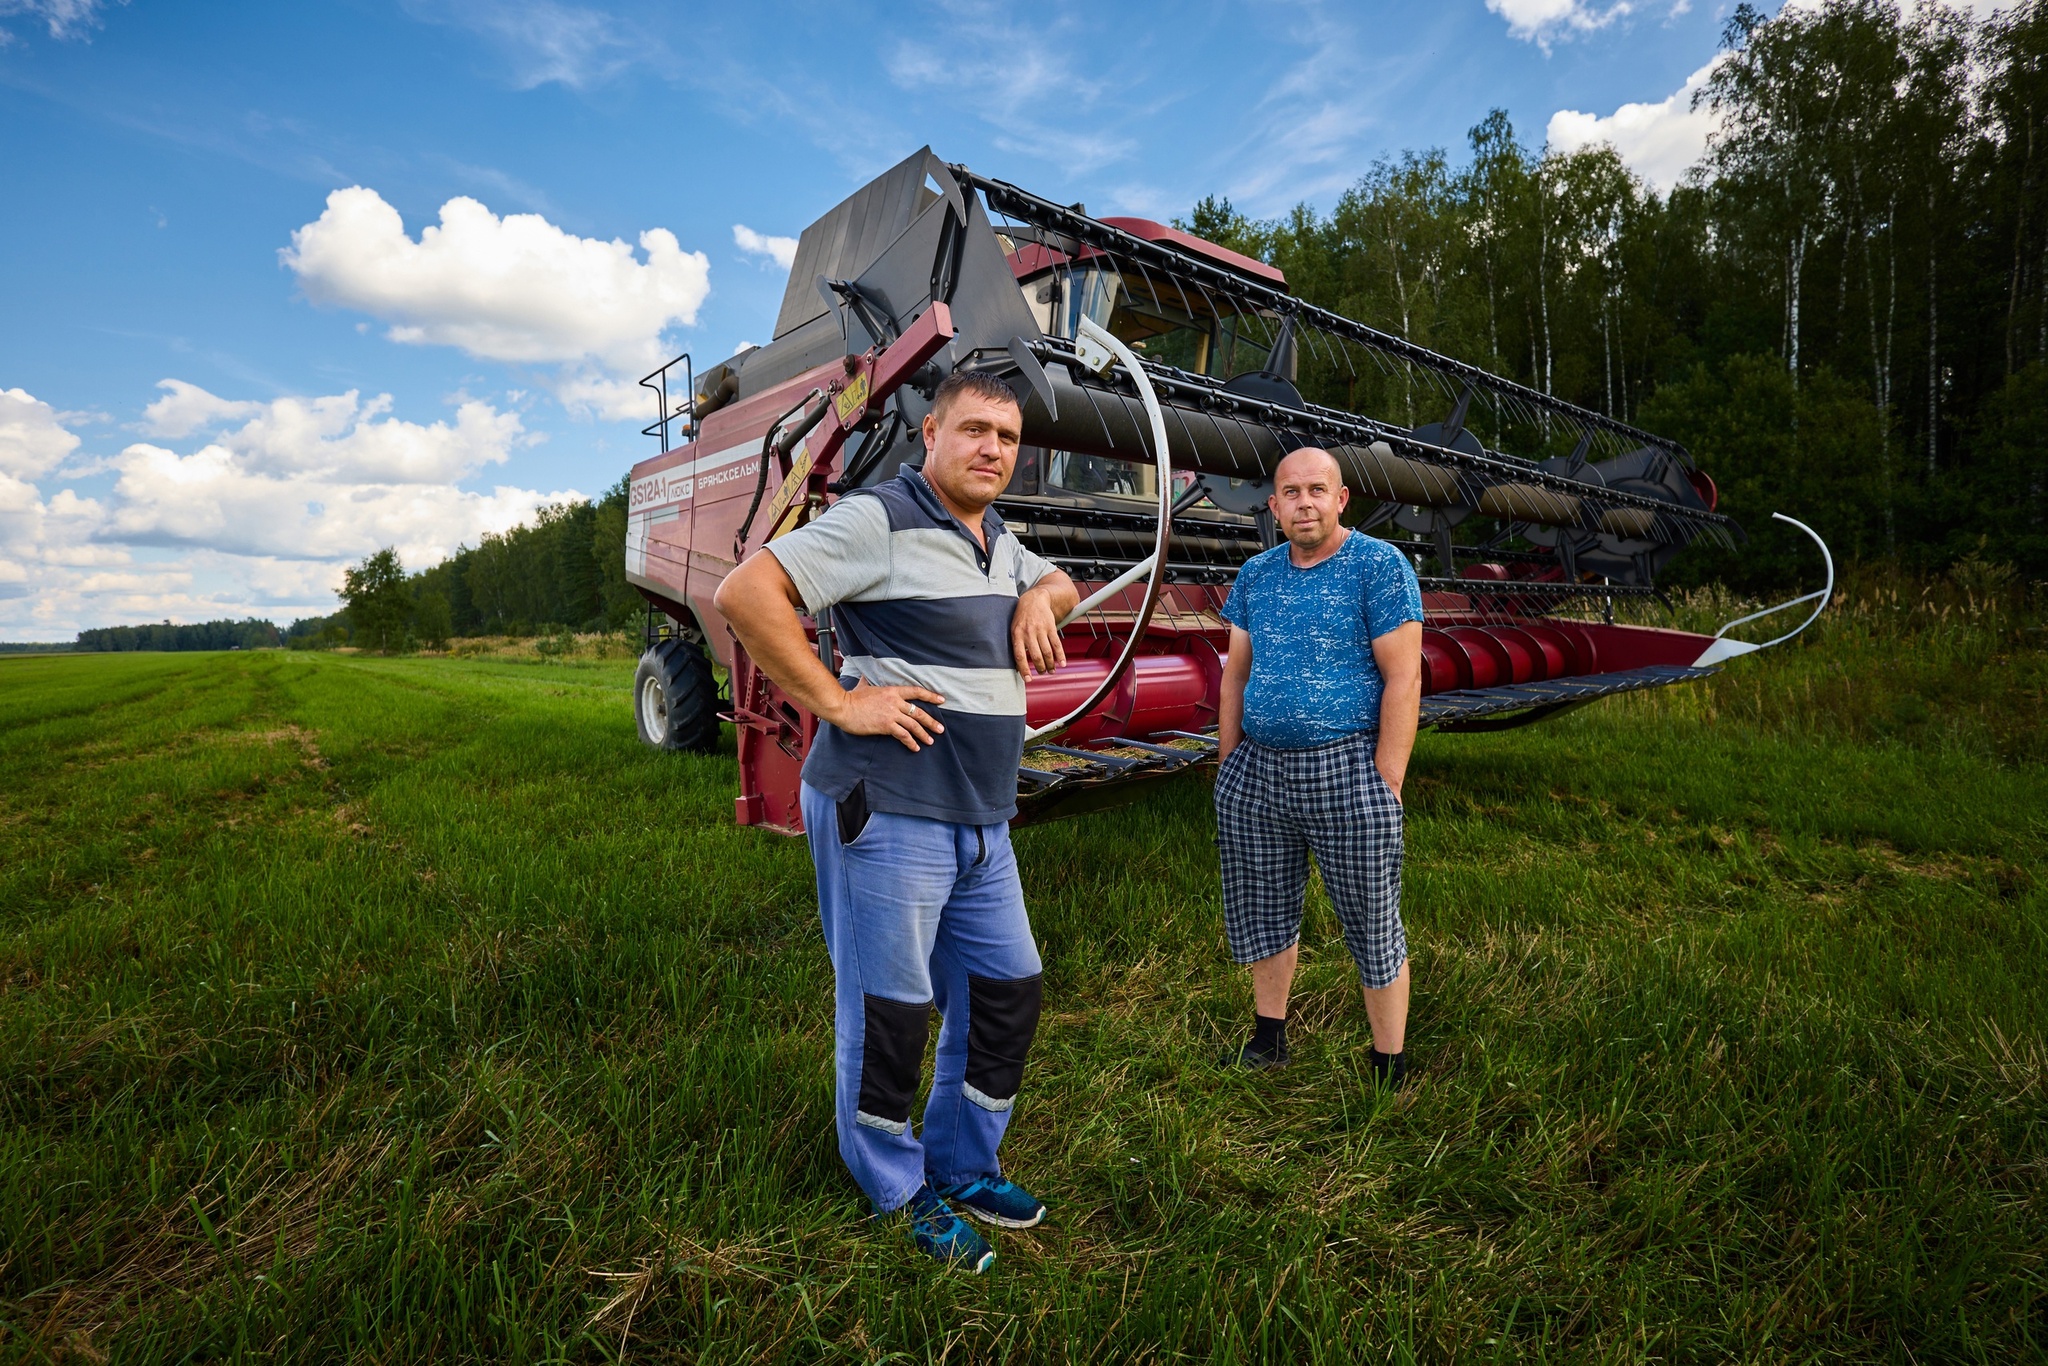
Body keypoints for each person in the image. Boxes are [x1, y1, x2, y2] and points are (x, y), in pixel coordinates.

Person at [713, 371, 1079, 1273]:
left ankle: (963, 1167)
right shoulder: (880, 519)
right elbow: (746, 595)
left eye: (1007, 436)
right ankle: (898, 1189)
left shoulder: (998, 539)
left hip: (983, 818)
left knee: (1006, 991)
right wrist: (840, 702)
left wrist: (1040, 597)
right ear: (929, 432)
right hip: (891, 810)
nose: (992, 448)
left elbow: (1064, 583)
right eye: (975, 430)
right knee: (892, 1011)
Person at [1212, 446, 1425, 1085]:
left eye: (1317, 490)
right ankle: (1269, 1038)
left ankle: (1389, 1059)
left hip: (1347, 767)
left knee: (1369, 916)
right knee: (1264, 907)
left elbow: (1404, 677)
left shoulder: (1379, 567)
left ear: (1341, 499)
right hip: (1259, 771)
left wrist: (1385, 781)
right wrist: (1229, 767)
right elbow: (1234, 678)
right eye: (1291, 492)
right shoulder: (1256, 575)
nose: (1305, 502)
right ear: (1273, 506)